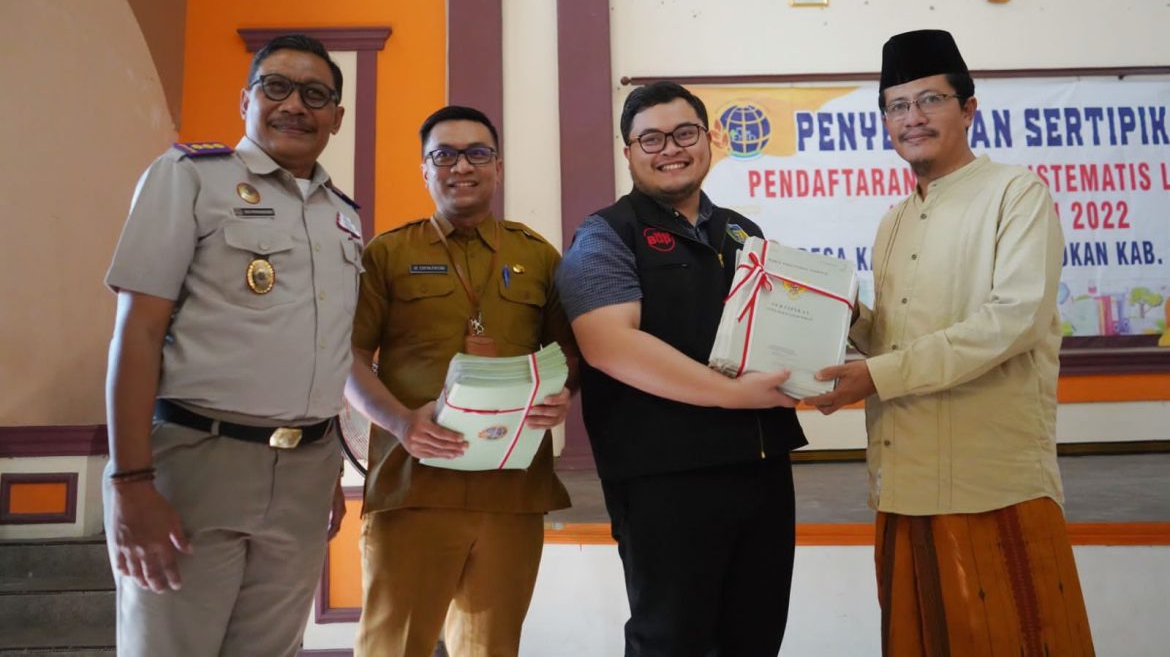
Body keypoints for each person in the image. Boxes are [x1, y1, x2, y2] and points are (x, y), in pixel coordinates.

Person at [805, 29, 1094, 655]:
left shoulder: (1016, 194)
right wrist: (833, 311)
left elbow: (1012, 322)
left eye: (930, 99)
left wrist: (876, 376)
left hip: (992, 482)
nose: (913, 117)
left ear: (968, 108)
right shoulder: (893, 221)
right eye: (897, 106)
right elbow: (892, 337)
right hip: (903, 481)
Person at [103, 33, 359, 656]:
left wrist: (325, 463)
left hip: (305, 472)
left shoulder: (344, 216)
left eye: (315, 95)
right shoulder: (189, 178)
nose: (294, 105)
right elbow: (138, 332)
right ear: (246, 100)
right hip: (198, 462)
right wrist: (130, 481)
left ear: (336, 117)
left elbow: (324, 346)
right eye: (277, 87)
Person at [555, 81, 807, 657]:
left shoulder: (744, 232)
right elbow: (608, 345)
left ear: (709, 139)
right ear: (628, 151)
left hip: (762, 466)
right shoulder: (605, 234)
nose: (670, 148)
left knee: (757, 636)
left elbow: (774, 333)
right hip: (664, 477)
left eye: (684, 133)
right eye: (651, 139)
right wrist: (737, 394)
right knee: (672, 641)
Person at [345, 105, 576, 657]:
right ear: (425, 169)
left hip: (512, 492)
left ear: (498, 166)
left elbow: (567, 349)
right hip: (414, 486)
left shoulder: (537, 255)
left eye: (477, 153)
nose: (462, 166)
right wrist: (401, 423)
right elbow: (345, 357)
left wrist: (562, 393)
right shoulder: (388, 253)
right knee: (393, 648)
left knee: (491, 648)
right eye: (444, 155)